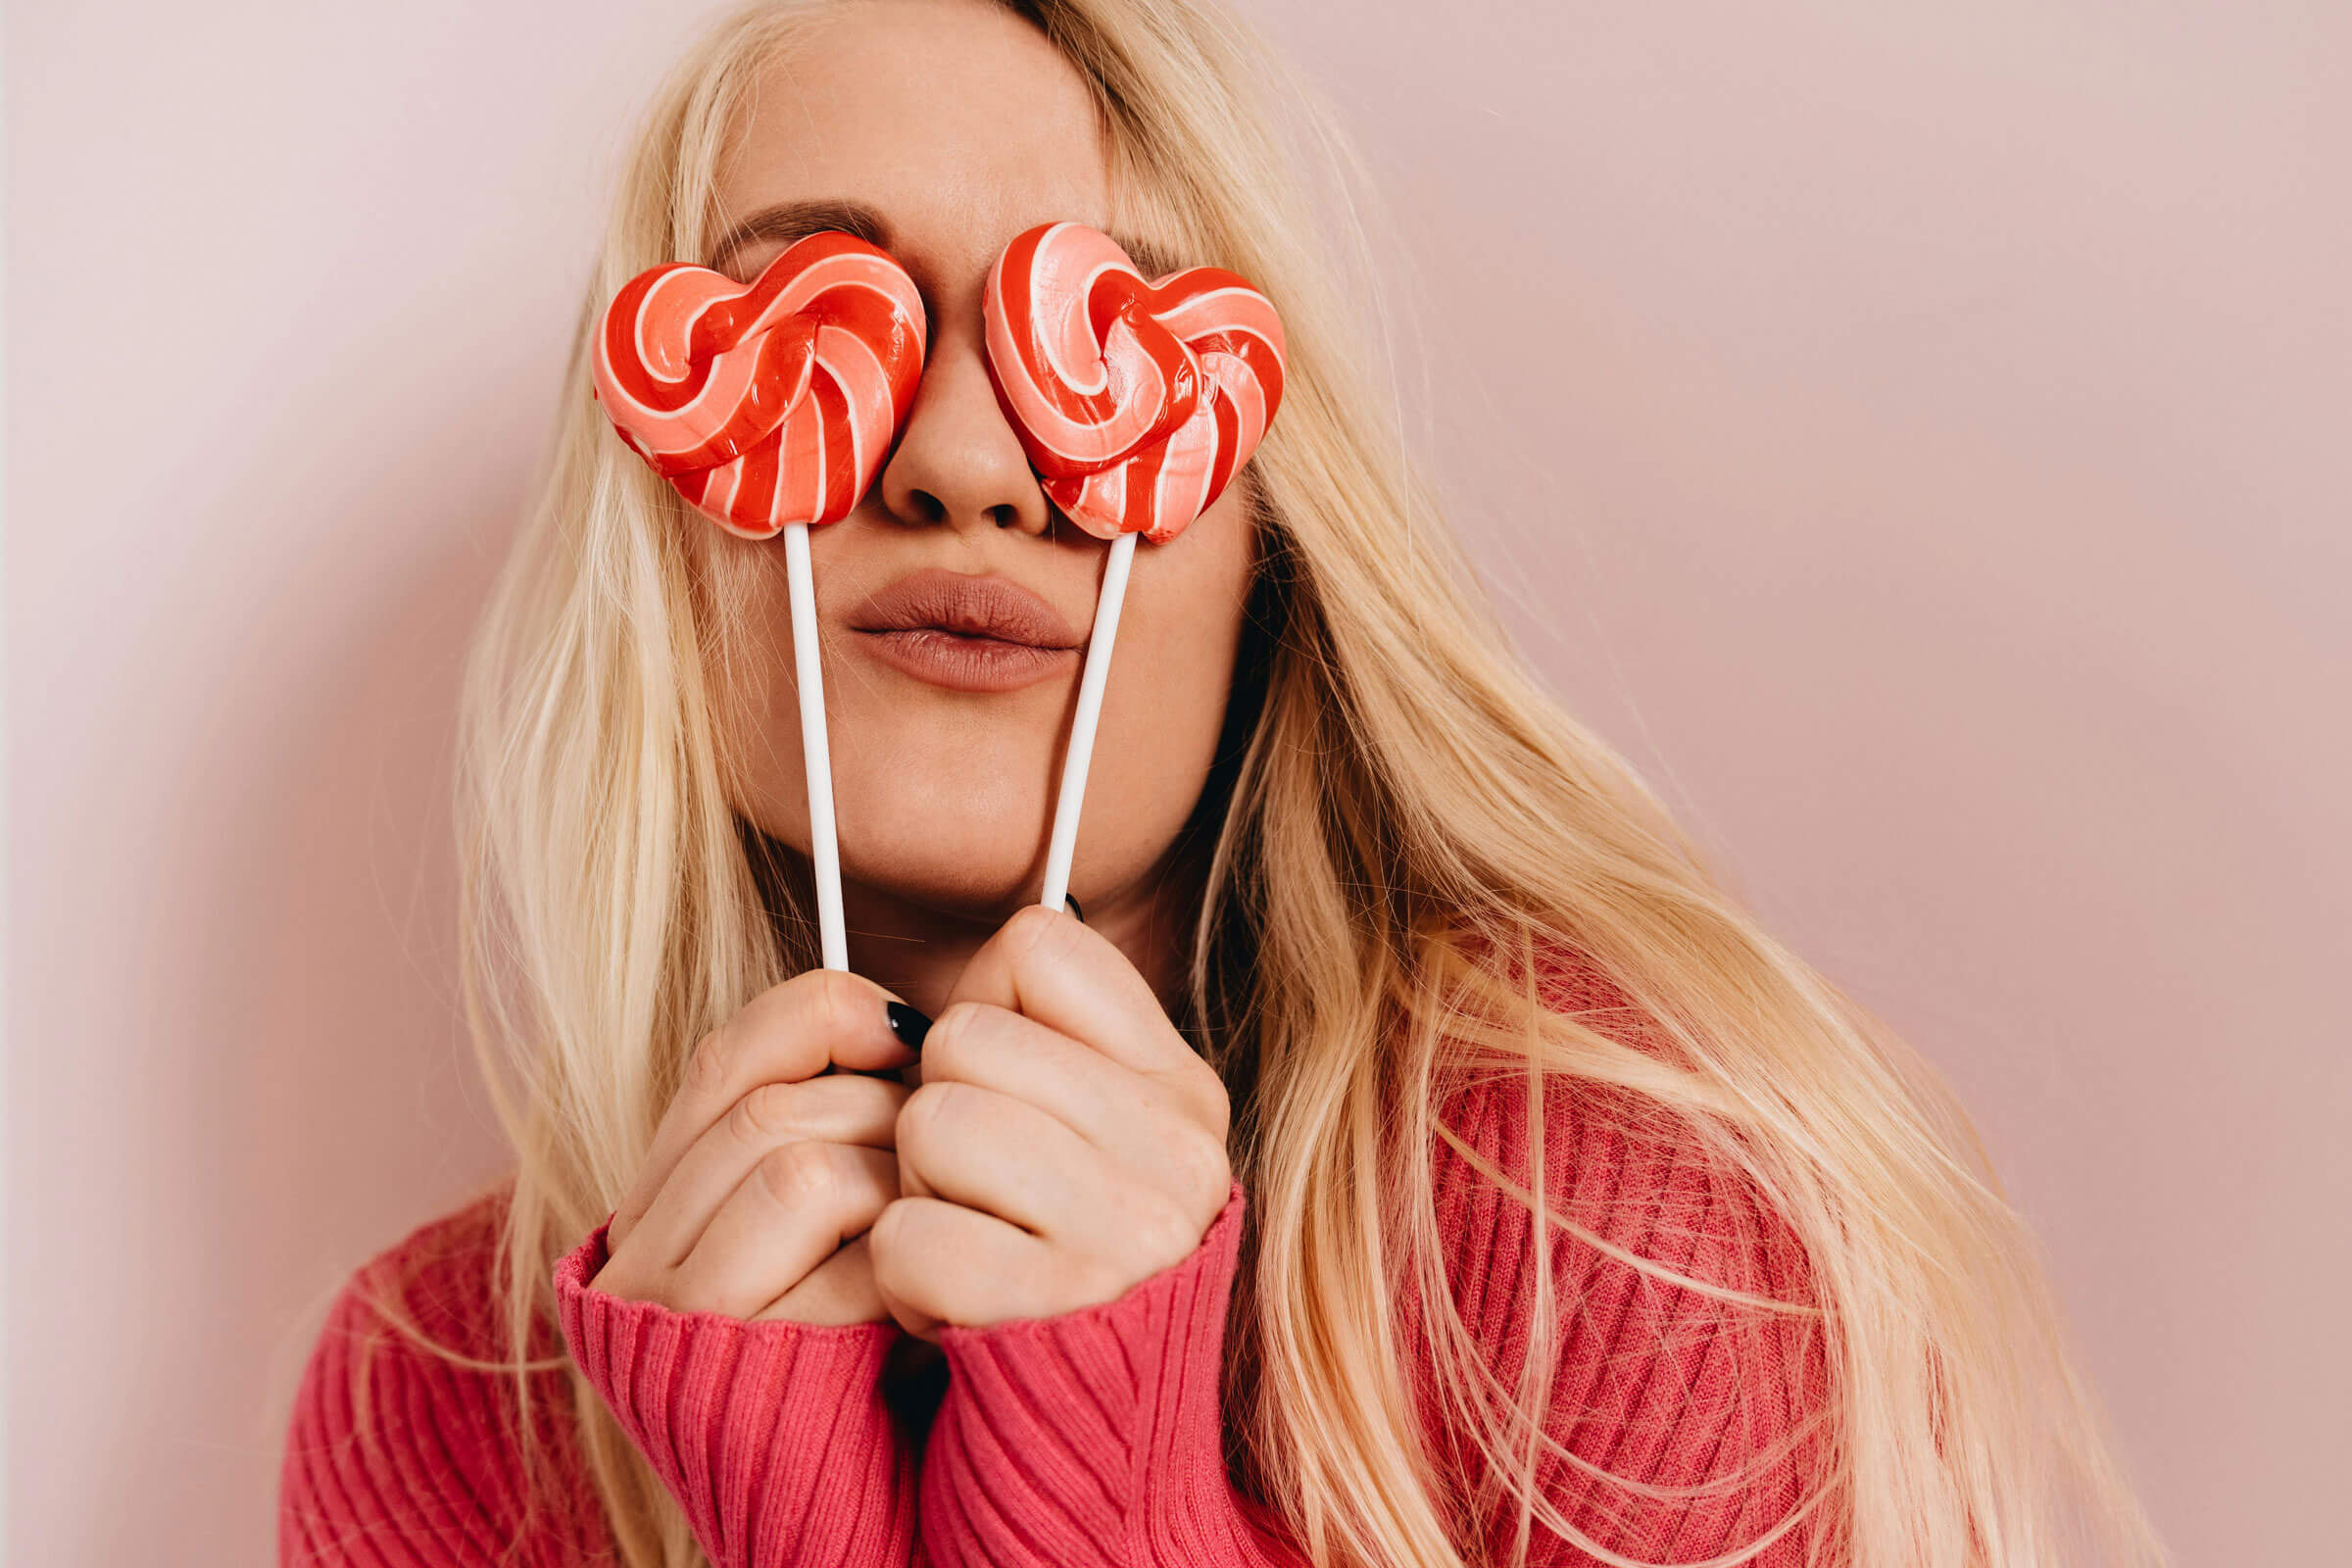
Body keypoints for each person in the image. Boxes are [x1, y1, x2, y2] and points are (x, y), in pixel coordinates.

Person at [276, 1, 2169, 1565]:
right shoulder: (433, 1403)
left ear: (1268, 532)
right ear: (662, 488)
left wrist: (1105, 1485)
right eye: (819, 323)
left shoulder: (1607, 1222)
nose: (964, 461)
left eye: (1095, 343)